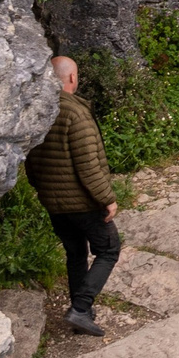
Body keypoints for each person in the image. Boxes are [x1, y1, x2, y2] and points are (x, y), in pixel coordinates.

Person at [27, 55, 120, 336]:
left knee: (76, 254)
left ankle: (82, 316)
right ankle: (80, 308)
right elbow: (88, 166)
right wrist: (107, 198)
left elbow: (29, 159)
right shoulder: (75, 114)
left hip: (53, 202)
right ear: (71, 78)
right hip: (82, 202)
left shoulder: (39, 111)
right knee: (109, 249)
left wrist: (41, 188)